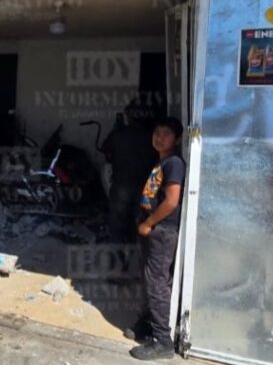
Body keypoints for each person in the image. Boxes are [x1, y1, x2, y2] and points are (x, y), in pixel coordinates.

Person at [127, 117, 186, 361]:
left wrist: (149, 223)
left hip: (162, 230)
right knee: (148, 278)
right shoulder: (161, 161)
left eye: (166, 134)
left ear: (178, 139)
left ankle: (162, 342)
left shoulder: (174, 163)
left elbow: (172, 201)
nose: (159, 138)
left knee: (157, 284)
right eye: (156, 132)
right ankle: (146, 324)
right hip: (152, 229)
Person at [100, 103, 158, 242]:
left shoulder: (119, 134)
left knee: (117, 221)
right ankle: (135, 249)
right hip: (146, 185)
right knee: (139, 219)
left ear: (129, 116)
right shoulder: (153, 135)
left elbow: (105, 150)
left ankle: (118, 251)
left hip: (122, 184)